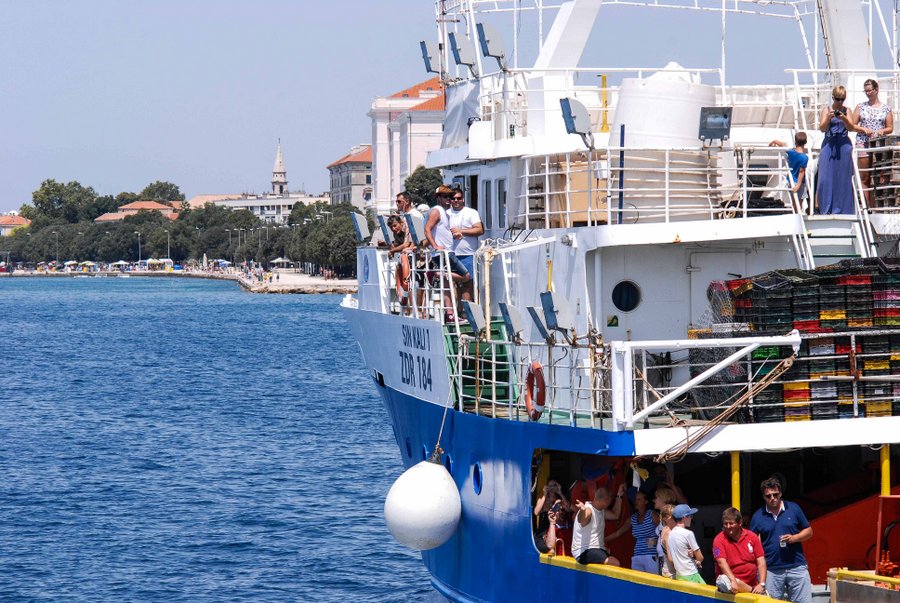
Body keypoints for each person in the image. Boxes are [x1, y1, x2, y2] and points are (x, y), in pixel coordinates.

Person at [749, 477, 813, 603]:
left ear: (781, 493)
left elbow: (809, 531)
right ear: (764, 497)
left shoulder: (794, 508)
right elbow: (751, 542)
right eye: (768, 496)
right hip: (771, 569)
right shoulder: (757, 516)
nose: (772, 498)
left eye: (775, 494)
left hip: (797, 566)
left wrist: (794, 538)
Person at [424, 185, 468, 322]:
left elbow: (440, 232)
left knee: (447, 284)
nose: (449, 199)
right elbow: (427, 230)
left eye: (450, 196)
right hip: (443, 254)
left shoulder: (444, 212)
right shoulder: (436, 211)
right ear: (438, 198)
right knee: (465, 276)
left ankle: (450, 314)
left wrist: (455, 236)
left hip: (445, 253)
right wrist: (435, 246)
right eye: (445, 196)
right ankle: (434, 274)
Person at [853, 79, 894, 207]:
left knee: (879, 176)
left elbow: (890, 127)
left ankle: (877, 206)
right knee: (864, 176)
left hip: (878, 145)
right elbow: (852, 125)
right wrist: (863, 129)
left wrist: (881, 131)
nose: (868, 93)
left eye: (870, 90)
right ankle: (865, 207)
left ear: (876, 90)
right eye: (866, 91)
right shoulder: (860, 107)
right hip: (863, 143)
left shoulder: (886, 108)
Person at [817, 85, 857, 214]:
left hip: (844, 144)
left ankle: (843, 209)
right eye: (838, 99)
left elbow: (851, 128)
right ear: (833, 98)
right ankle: (826, 208)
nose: (840, 102)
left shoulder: (847, 110)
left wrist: (844, 118)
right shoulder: (826, 110)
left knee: (843, 177)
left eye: (842, 99)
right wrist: (829, 118)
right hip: (829, 144)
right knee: (825, 177)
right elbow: (822, 128)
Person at [713, 507, 767, 595]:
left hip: (753, 583)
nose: (728, 526)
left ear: (740, 523)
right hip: (732, 584)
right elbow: (721, 562)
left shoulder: (752, 537)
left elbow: (761, 561)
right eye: (725, 524)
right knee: (723, 580)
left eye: (731, 523)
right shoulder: (718, 539)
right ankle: (753, 592)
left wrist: (762, 584)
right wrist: (733, 580)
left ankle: (754, 591)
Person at [572, 483, 626, 566]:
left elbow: (615, 515)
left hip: (597, 550)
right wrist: (582, 511)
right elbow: (581, 519)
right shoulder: (589, 509)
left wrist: (619, 495)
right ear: (606, 500)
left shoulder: (601, 511)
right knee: (615, 563)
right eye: (610, 499)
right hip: (583, 552)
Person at [607, 490, 659, 573]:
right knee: (637, 584)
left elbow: (663, 530)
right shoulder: (633, 518)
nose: (636, 501)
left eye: (639, 499)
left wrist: (656, 541)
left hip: (651, 555)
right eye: (635, 499)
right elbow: (618, 533)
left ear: (646, 502)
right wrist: (603, 540)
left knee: (653, 583)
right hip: (637, 556)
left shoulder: (652, 515)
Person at [447, 188, 484, 302]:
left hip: (468, 254)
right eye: (453, 198)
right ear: (450, 200)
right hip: (451, 254)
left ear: (463, 199)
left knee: (467, 284)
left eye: (459, 198)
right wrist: (452, 235)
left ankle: (465, 313)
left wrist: (461, 231)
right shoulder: (446, 214)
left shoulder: (471, 212)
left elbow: (479, 230)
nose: (456, 200)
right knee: (453, 284)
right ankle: (456, 313)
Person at [769, 132, 809, 209]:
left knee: (793, 201)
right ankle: (798, 215)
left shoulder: (791, 152)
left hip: (791, 181)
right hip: (800, 183)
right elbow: (801, 171)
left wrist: (773, 141)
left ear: (795, 142)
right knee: (799, 203)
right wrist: (798, 184)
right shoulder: (804, 157)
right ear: (806, 142)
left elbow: (782, 145)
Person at [667, 504, 704, 584]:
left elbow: (670, 558)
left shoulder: (670, 534)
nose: (691, 518)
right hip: (691, 574)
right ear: (684, 517)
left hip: (679, 576)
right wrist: (695, 558)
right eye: (690, 516)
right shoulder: (688, 534)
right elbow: (700, 557)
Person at [534, 480, 573, 555]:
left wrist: (560, 492)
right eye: (550, 486)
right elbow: (536, 512)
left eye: (554, 485)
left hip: (555, 532)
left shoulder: (559, 501)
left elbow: (568, 508)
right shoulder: (542, 500)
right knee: (548, 550)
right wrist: (545, 495)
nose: (552, 488)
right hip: (542, 534)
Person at [657, 504, 677, 578]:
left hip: (668, 571)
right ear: (665, 518)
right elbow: (670, 558)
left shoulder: (664, 529)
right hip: (671, 574)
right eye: (673, 516)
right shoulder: (668, 532)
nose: (676, 518)